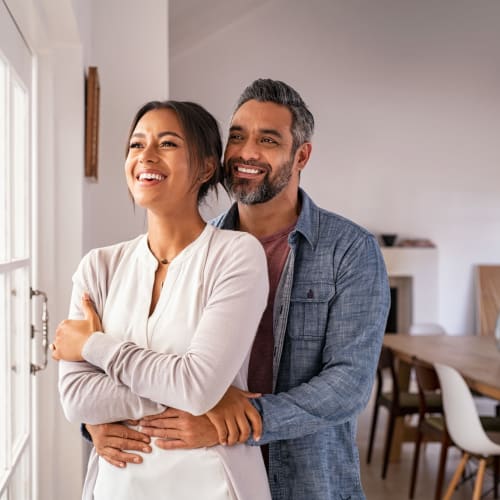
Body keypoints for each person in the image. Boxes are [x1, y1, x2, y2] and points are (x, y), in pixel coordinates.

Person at [84, 79, 391, 499]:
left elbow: (348, 384)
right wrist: (95, 420)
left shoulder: (349, 251)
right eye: (237, 137)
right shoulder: (194, 249)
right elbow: (150, 360)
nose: (247, 153)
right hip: (205, 477)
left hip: (307, 481)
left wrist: (244, 418)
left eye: (267, 140)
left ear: (301, 155)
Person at [51, 100, 272, 500]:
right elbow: (77, 399)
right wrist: (197, 392)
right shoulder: (98, 267)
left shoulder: (236, 255)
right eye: (136, 145)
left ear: (206, 167)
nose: (145, 156)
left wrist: (91, 346)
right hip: (116, 486)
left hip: (213, 484)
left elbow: (198, 385)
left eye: (167, 144)